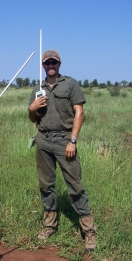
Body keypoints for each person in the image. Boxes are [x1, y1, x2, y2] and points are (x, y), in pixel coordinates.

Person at [28, 50, 97, 251]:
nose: (50, 65)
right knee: (46, 184)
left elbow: (80, 112)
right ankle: (50, 225)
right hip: (43, 139)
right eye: (47, 63)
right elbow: (33, 118)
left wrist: (72, 140)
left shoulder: (70, 84)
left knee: (75, 185)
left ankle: (89, 231)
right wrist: (32, 108)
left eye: (54, 62)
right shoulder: (37, 88)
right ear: (43, 66)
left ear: (59, 64)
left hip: (65, 139)